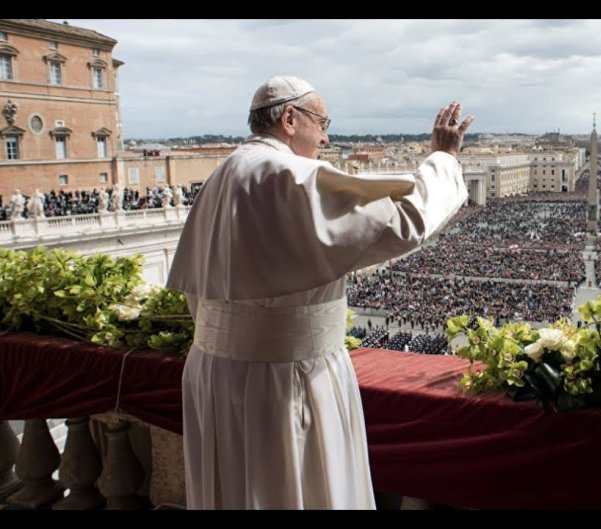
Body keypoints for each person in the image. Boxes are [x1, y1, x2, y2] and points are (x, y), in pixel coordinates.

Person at [166, 75, 472, 509]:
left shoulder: (223, 174)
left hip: (214, 372)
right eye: (323, 122)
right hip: (286, 378)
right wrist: (442, 158)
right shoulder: (287, 175)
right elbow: (404, 221)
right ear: (290, 118)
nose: (327, 137)